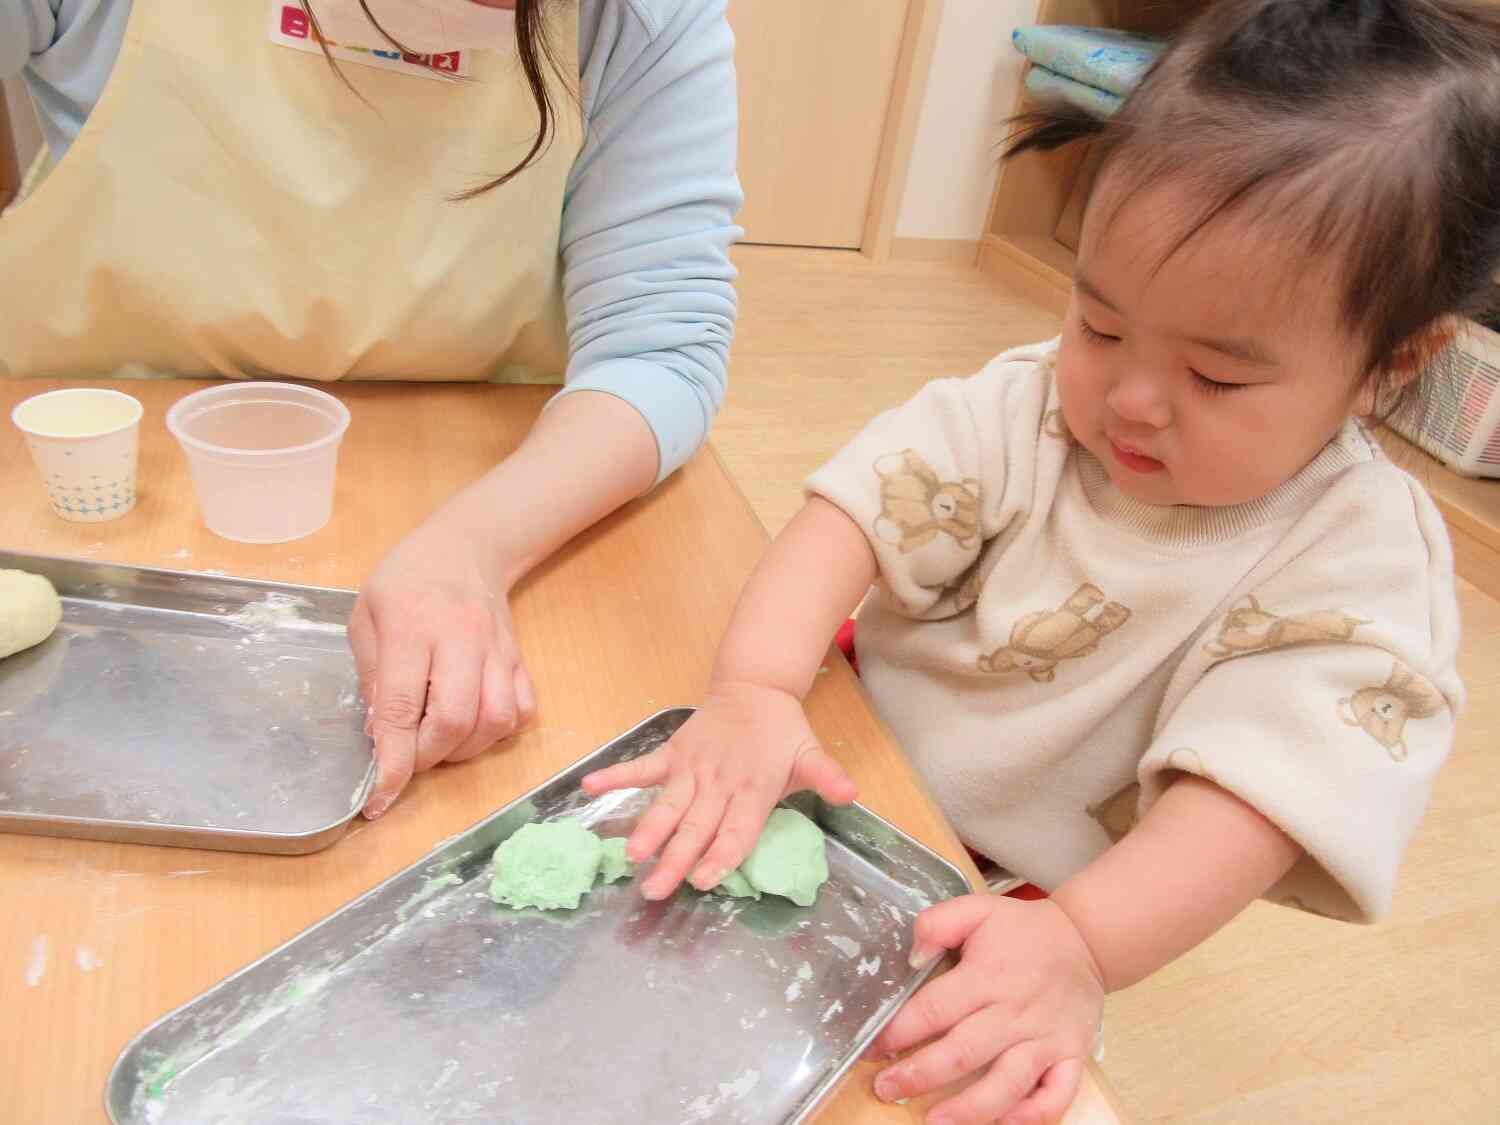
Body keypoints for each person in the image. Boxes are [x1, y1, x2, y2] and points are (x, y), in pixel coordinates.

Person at [583, 1, 1496, 1120]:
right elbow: (853, 516)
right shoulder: (1031, 406)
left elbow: (1259, 803)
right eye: (1101, 325)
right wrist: (756, 686)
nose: (1133, 399)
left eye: (1219, 378)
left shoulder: (1359, 568)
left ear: (1390, 366)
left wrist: (1077, 944)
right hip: (848, 746)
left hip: (1016, 892)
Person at [0, 0, 742, 818]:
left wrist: (472, 549)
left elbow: (657, 351)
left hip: (492, 466)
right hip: (97, 466)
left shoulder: (637, 18)